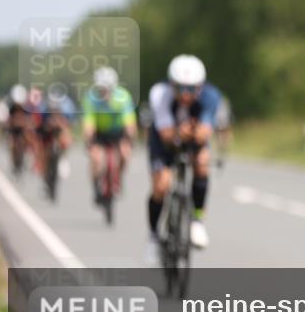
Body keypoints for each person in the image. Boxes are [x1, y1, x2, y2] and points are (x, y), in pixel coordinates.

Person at [145, 54, 221, 264]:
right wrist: (180, 134)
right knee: (161, 186)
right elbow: (167, 135)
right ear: (171, 84)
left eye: (192, 89)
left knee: (203, 163)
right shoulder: (160, 94)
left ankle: (197, 219)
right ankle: (153, 237)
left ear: (200, 87)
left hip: (192, 138)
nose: (186, 94)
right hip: (163, 140)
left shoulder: (211, 96)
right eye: (180, 88)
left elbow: (204, 132)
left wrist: (196, 134)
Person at [82, 67, 137, 204]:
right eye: (101, 89)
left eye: (107, 89)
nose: (103, 92)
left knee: (125, 154)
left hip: (118, 133)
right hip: (100, 133)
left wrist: (130, 138)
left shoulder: (123, 97)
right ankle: (96, 188)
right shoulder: (90, 98)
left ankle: (118, 177)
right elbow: (88, 123)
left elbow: (129, 121)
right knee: (96, 159)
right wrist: (89, 141)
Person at [4, 85, 31, 175]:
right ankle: (13, 160)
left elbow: (29, 119)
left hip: (23, 130)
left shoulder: (27, 107)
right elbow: (8, 119)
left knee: (28, 141)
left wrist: (28, 126)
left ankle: (26, 157)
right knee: (11, 144)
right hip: (14, 130)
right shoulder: (11, 107)